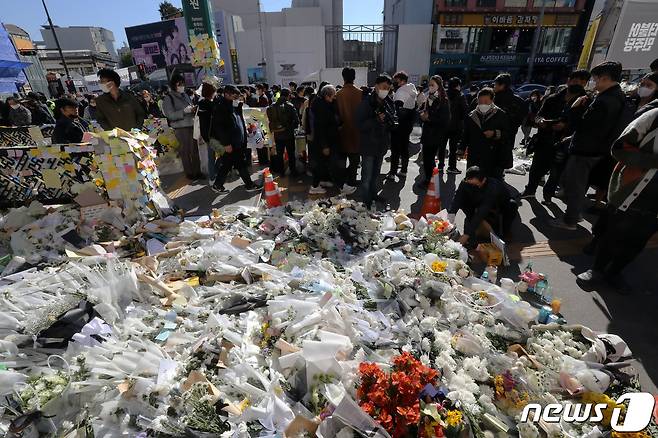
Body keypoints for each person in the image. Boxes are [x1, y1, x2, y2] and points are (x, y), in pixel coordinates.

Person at [577, 108, 658, 292]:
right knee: (612, 236)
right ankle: (596, 270)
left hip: (654, 208)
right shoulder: (653, 118)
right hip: (631, 193)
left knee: (637, 243)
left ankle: (614, 273)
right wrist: (653, 161)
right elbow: (619, 149)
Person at [550, 61, 626, 230]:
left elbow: (583, 126)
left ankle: (570, 220)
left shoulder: (604, 101)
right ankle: (574, 214)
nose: (592, 83)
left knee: (575, 185)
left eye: (594, 79)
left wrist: (575, 108)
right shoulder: (618, 97)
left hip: (586, 150)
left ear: (605, 78)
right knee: (578, 184)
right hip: (598, 149)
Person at [521, 69, 591, 200]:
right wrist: (540, 121)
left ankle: (548, 195)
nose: (578, 84)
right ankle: (530, 190)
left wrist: (567, 126)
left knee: (556, 172)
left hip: (565, 142)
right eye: (576, 81)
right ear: (569, 81)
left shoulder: (586, 102)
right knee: (536, 167)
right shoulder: (553, 98)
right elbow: (538, 115)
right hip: (545, 139)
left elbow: (586, 124)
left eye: (582, 82)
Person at [448, 166, 519, 247]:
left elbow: (482, 211)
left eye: (475, 184)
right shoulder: (466, 182)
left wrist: (466, 235)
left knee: (512, 205)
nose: (473, 186)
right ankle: (471, 222)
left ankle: (506, 231)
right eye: (470, 184)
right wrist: (451, 215)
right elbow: (458, 197)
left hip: (497, 204)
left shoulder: (492, 187)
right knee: (464, 201)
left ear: (484, 180)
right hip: (481, 201)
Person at [210, 85, 261, 193]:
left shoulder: (233, 106)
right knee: (238, 163)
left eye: (238, 96)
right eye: (235, 96)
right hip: (230, 142)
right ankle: (249, 184)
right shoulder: (221, 107)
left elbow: (239, 122)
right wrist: (226, 143)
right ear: (226, 94)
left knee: (229, 164)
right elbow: (220, 128)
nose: (237, 98)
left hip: (237, 142)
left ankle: (218, 185)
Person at [357, 75, 397, 208]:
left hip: (381, 145)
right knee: (367, 176)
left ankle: (373, 195)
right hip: (369, 145)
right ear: (376, 86)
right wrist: (376, 120)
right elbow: (360, 124)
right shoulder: (367, 102)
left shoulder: (388, 101)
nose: (386, 90)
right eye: (384, 87)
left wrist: (391, 121)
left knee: (375, 175)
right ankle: (365, 201)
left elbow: (392, 120)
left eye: (388, 88)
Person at [312, 85, 357, 196]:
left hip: (328, 140)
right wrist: (325, 146)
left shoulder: (324, 104)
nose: (334, 98)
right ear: (327, 96)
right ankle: (341, 187)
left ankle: (315, 185)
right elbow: (321, 128)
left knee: (322, 165)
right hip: (327, 142)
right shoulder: (321, 107)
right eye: (333, 96)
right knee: (334, 165)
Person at [462, 88, 509, 179]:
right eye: (480, 101)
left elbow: (507, 134)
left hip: (493, 155)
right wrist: (461, 148)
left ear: (492, 100)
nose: (483, 104)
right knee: (473, 179)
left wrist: (494, 133)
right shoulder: (472, 115)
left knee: (490, 182)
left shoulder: (500, 115)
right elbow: (466, 134)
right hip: (474, 155)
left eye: (486, 101)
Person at [162, 73, 201, 180]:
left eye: (183, 83)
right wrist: (184, 111)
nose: (182, 86)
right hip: (181, 128)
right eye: (179, 84)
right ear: (174, 85)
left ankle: (197, 172)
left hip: (191, 125)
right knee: (186, 151)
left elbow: (190, 107)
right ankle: (189, 173)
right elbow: (170, 115)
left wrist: (193, 109)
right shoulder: (168, 98)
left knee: (195, 150)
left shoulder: (185, 95)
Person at [492, 74, 526, 178]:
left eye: (496, 84)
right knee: (504, 155)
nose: (494, 86)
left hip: (494, 134)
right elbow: (522, 117)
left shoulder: (494, 99)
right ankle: (499, 174)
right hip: (510, 134)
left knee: (493, 156)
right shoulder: (519, 101)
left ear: (502, 86)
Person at [419, 75, 451, 182]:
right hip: (428, 132)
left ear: (439, 85)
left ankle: (430, 180)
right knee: (427, 158)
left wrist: (429, 118)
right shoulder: (430, 97)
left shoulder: (443, 99)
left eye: (433, 85)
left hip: (435, 134)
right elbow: (425, 109)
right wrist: (423, 115)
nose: (430, 87)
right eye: (429, 85)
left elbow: (444, 119)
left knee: (430, 159)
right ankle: (429, 179)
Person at [387, 71, 418, 179]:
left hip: (399, 124)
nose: (394, 82)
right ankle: (404, 170)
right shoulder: (412, 90)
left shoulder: (401, 92)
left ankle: (392, 173)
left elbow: (397, 109)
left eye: (396, 80)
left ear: (402, 81)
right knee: (404, 148)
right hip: (408, 124)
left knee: (395, 149)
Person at [336, 67, 363, 187]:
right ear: (354, 77)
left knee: (341, 160)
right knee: (354, 160)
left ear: (343, 77)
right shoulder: (360, 93)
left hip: (342, 132)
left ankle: (341, 181)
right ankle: (352, 180)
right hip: (357, 133)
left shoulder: (338, 95)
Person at [267, 88, 299, 177]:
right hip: (288, 135)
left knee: (279, 154)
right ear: (288, 95)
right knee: (291, 154)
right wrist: (290, 128)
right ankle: (293, 171)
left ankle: (281, 172)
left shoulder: (272, 106)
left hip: (277, 134)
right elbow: (296, 121)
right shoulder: (290, 106)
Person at [445, 77, 468, 174]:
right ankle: (452, 167)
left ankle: (441, 165)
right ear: (458, 85)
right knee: (453, 148)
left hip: (444, 125)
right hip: (456, 125)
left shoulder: (444, 94)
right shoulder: (460, 96)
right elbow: (464, 111)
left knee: (442, 146)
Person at [198, 81, 218, 182]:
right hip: (212, 135)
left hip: (206, 135)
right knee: (219, 154)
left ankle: (213, 176)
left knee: (211, 156)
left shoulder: (201, 104)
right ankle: (213, 177)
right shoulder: (211, 105)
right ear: (211, 92)